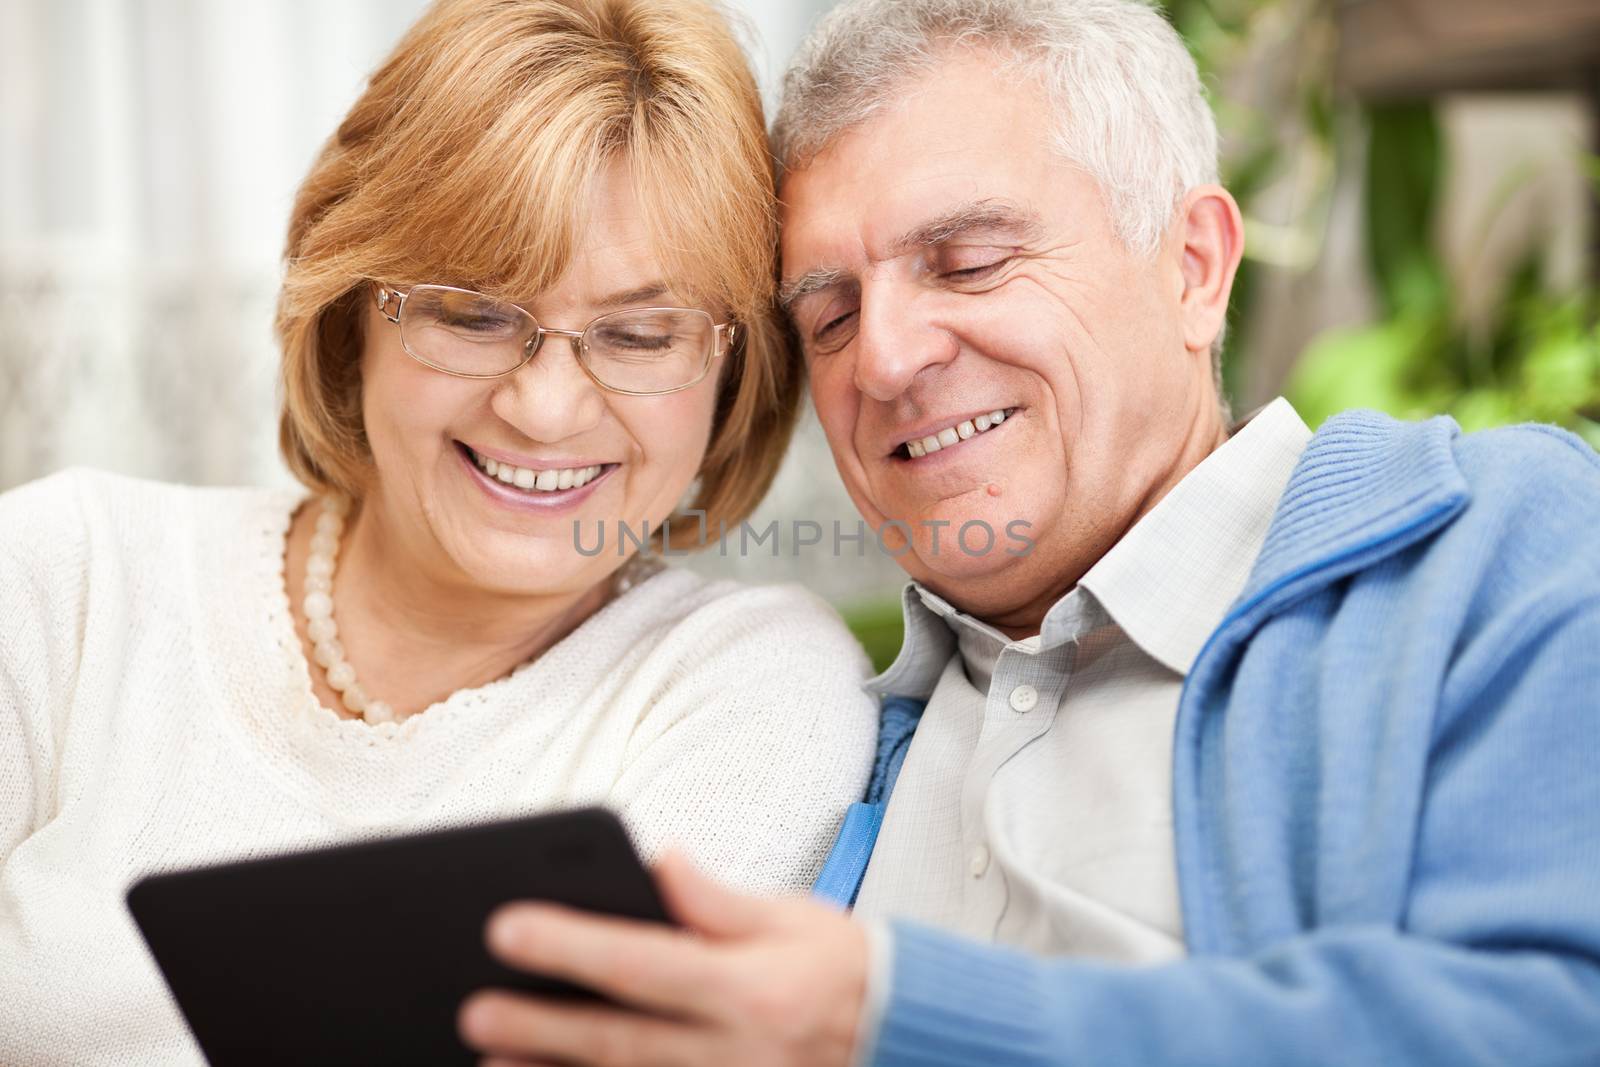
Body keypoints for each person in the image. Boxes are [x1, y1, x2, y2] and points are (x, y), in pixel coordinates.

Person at [454, 0, 1600, 1064]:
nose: (886, 359)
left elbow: (1555, 1022)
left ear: (1193, 267)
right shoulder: (820, 731)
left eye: (970, 261)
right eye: (832, 312)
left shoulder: (1489, 546)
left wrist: (894, 1014)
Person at [0, 1, 879, 1063]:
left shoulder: (747, 688)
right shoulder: (66, 573)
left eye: (640, 334)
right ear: (351, 307)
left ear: (734, 375)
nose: (545, 408)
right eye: (473, 313)